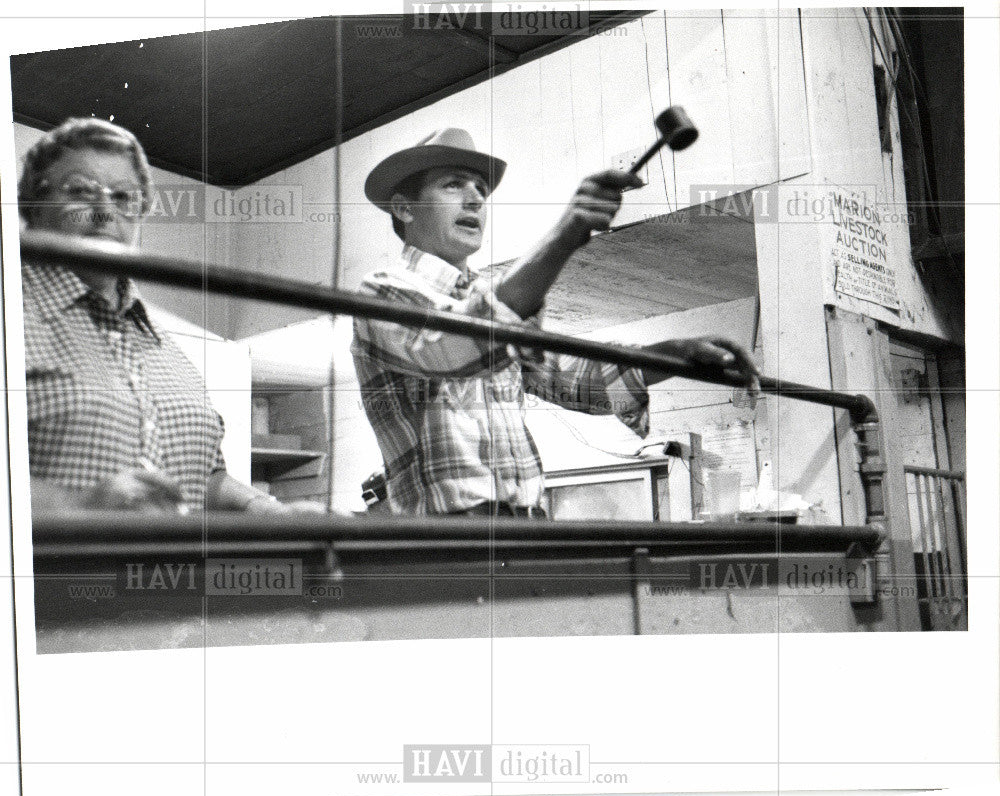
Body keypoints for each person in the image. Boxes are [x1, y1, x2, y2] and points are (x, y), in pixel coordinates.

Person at [352, 128, 758, 517]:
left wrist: (676, 355)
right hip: (446, 542)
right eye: (453, 184)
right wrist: (567, 232)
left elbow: (572, 379)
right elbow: (452, 349)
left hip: (527, 528)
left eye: (480, 188)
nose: (475, 198)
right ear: (405, 208)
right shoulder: (382, 292)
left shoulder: (497, 299)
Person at [18, 117, 314, 514]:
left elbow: (203, 476)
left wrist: (264, 507)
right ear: (35, 205)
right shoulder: (14, 316)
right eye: (81, 191)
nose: (105, 212)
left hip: (175, 577)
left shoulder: (164, 344)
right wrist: (79, 506)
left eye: (124, 197)